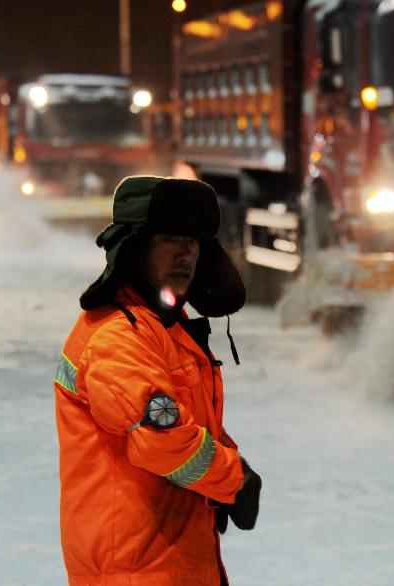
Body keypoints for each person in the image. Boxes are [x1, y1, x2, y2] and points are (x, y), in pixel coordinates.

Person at [53, 176, 262, 585]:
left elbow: (192, 422)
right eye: (169, 238)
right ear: (135, 249)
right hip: (134, 570)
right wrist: (235, 479)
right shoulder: (118, 336)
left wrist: (227, 467)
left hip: (168, 559)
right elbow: (162, 440)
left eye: (194, 240)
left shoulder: (166, 326)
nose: (185, 253)